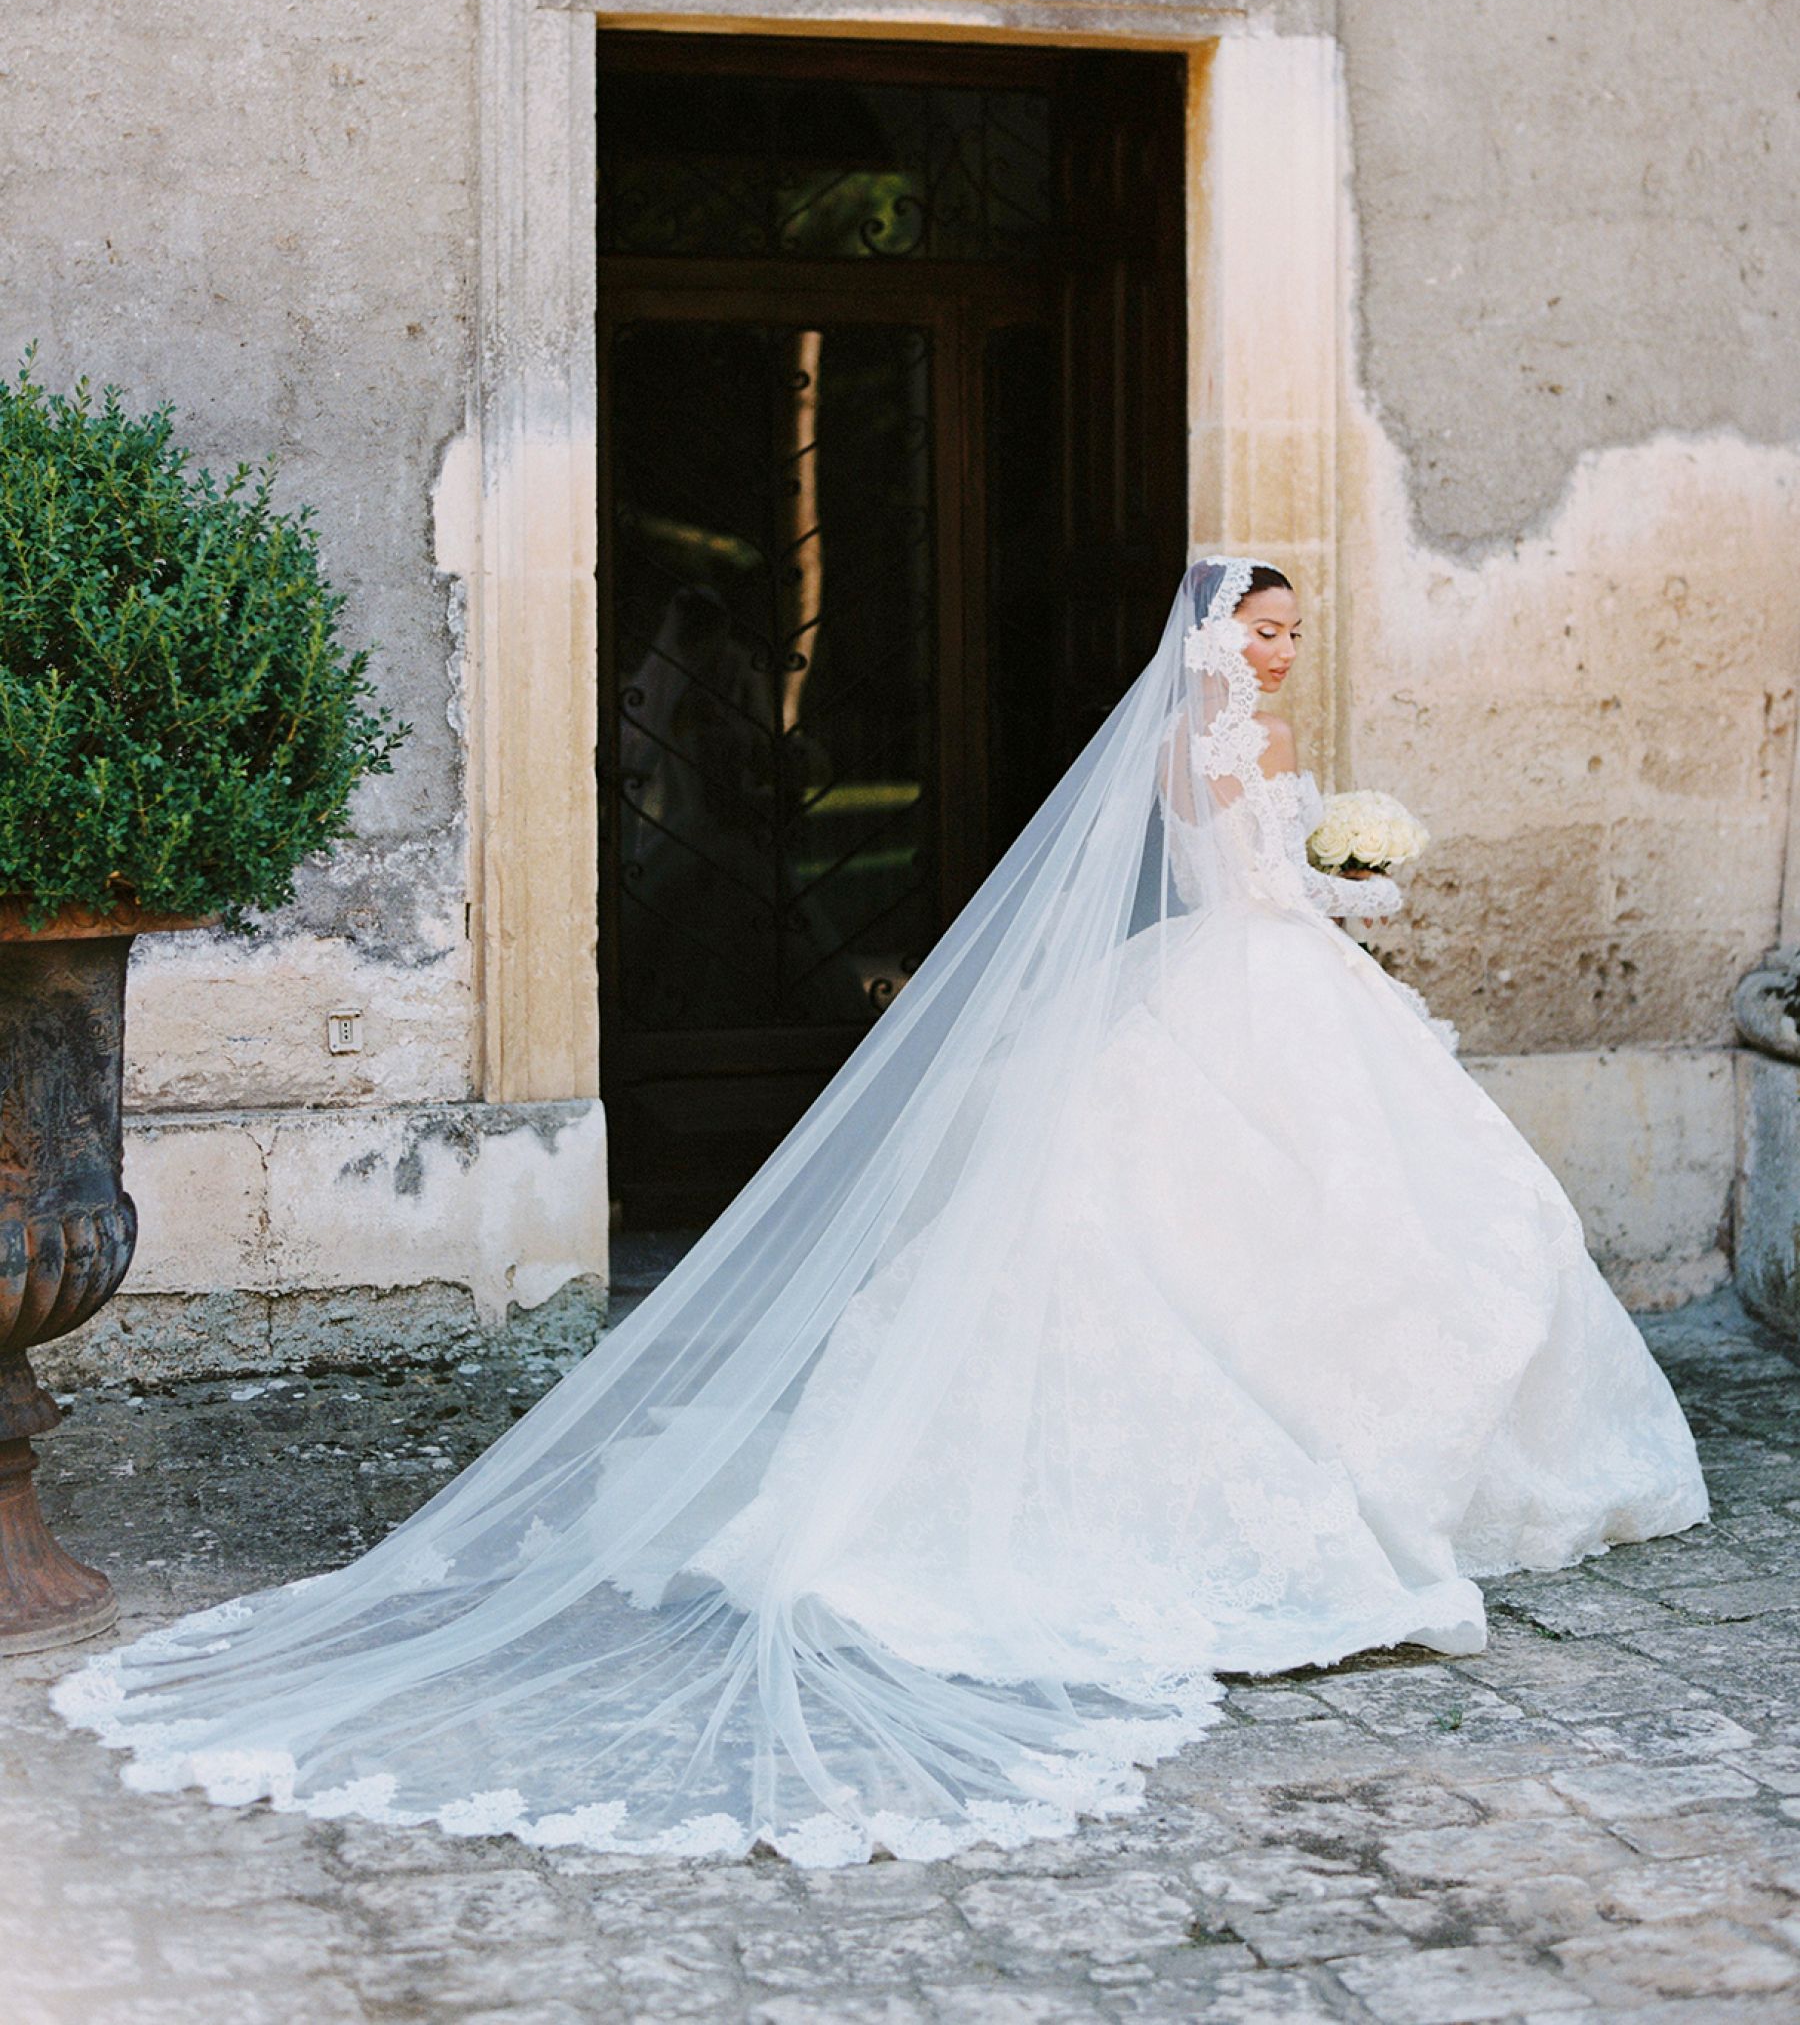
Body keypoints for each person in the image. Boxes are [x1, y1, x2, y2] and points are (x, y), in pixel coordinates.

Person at [54, 557, 1706, 1867]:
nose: (1281, 651)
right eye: (1266, 630)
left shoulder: (1232, 735)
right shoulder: (1224, 741)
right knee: (1228, 1229)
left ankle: (1380, 1457)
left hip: (1265, 995)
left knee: (1343, 1227)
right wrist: (1346, 884)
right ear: (1219, 639)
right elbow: (1239, 883)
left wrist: (1333, 879)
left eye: (1291, 633)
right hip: (1253, 985)